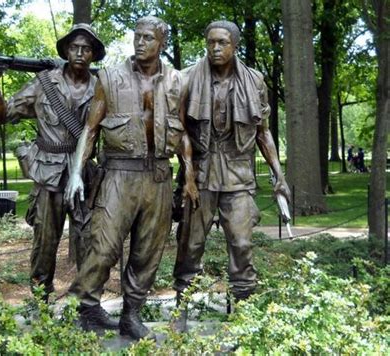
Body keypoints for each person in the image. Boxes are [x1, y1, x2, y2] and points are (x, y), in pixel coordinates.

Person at [64, 16, 199, 340]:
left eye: (148, 37)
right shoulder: (109, 78)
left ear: (161, 41)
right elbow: (91, 129)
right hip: (119, 174)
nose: (140, 42)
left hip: (159, 175)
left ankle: (132, 316)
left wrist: (189, 174)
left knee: (147, 252)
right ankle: (80, 308)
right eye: (137, 36)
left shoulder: (178, 81)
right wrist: (76, 174)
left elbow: (182, 133)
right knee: (105, 246)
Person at [172, 20, 291, 331]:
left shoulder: (255, 81)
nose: (215, 48)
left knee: (241, 244)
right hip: (200, 173)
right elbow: (179, 130)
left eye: (222, 42)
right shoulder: (187, 79)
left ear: (234, 45)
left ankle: (244, 315)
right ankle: (180, 313)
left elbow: (263, 133)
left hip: (238, 174)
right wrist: (186, 176)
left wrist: (279, 174)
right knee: (190, 245)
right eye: (210, 42)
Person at [0, 24, 112, 308]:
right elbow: (3, 115)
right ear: (66, 50)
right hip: (48, 172)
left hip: (84, 174)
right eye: (74, 47)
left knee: (88, 240)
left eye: (86, 48)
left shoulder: (102, 86)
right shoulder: (43, 83)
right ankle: (41, 302)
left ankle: (86, 304)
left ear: (93, 54)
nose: (79, 53)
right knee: (44, 242)